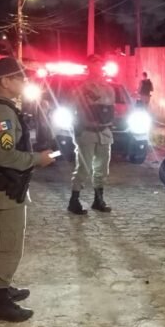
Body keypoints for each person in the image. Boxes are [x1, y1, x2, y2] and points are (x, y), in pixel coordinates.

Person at [0, 57, 56, 322]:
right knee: (6, 244)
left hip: (6, 186)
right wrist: (38, 159)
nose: (25, 82)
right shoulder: (1, 112)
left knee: (4, 241)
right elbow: (5, 156)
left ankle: (1, 289)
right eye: (21, 78)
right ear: (6, 81)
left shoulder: (1, 107)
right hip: (3, 188)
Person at [68, 55, 116, 215]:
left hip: (104, 132)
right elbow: (73, 108)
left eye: (100, 65)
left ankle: (98, 200)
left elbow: (110, 109)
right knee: (84, 168)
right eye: (94, 65)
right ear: (89, 67)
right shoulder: (81, 88)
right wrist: (77, 127)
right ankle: (74, 200)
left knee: (102, 169)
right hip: (87, 132)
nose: (98, 69)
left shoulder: (109, 88)